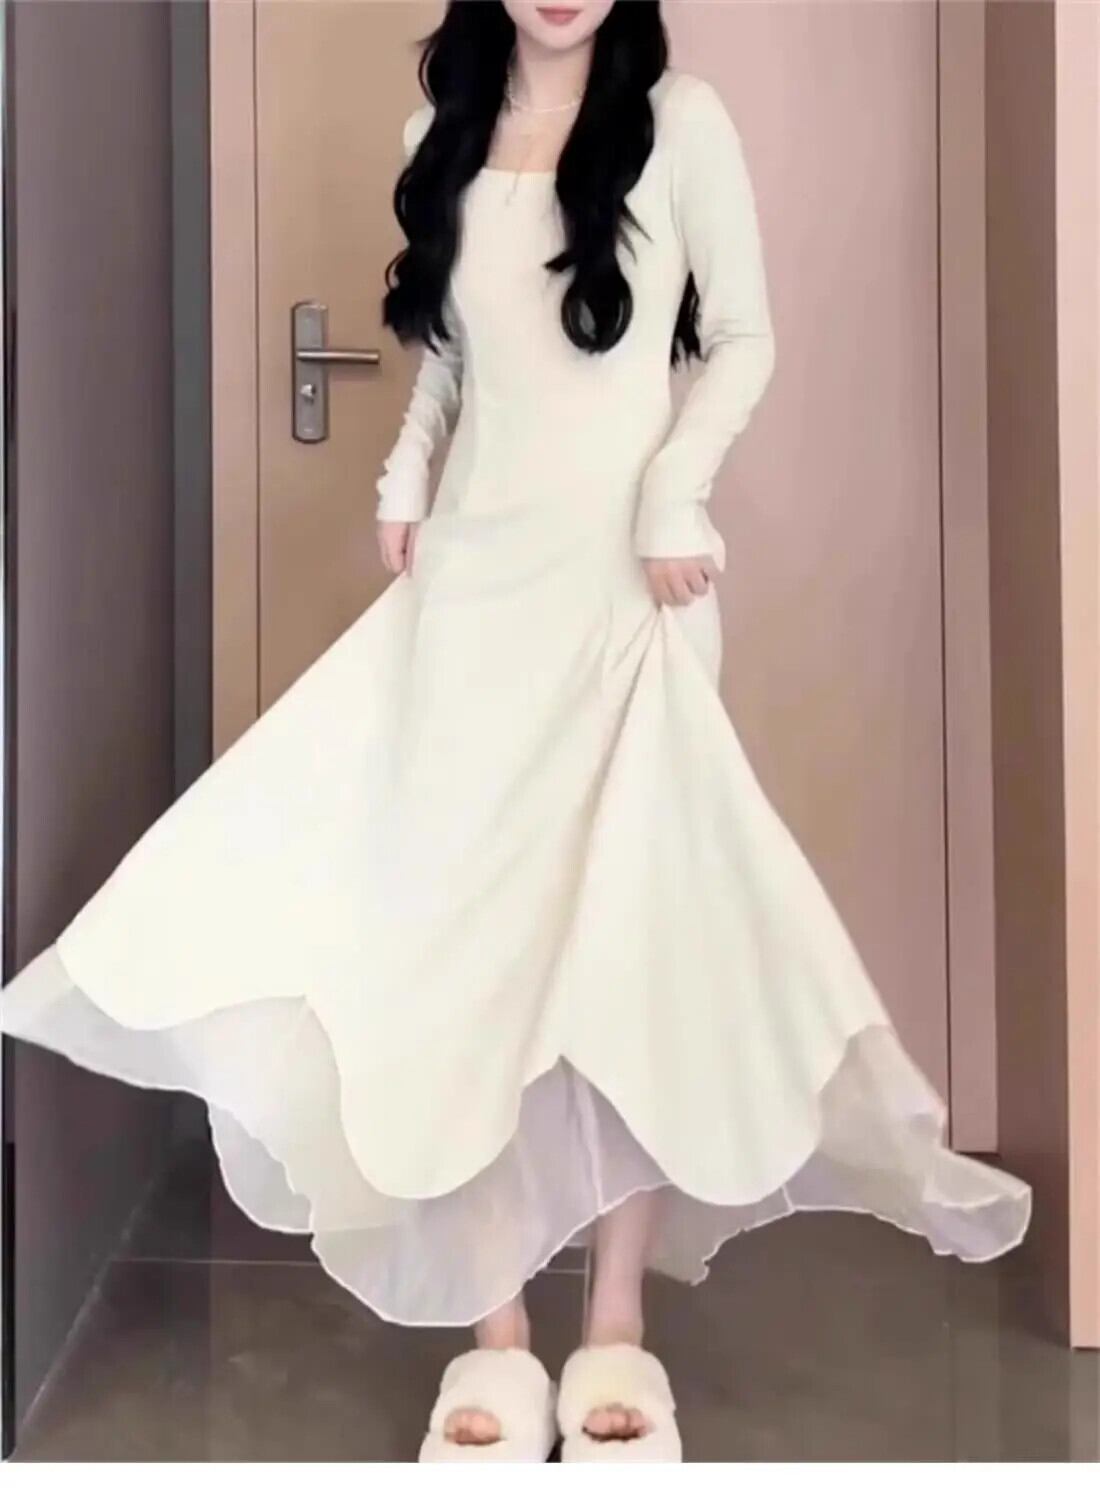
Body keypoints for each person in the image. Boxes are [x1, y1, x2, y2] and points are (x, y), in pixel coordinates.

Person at [1, 0, 1030, 1463]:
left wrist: (675, 492)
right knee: (462, 956)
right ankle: (495, 1342)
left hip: (631, 601)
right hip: (477, 606)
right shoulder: (442, 132)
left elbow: (743, 339)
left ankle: (615, 1328)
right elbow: (452, 358)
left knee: (629, 956)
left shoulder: (681, 127)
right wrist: (405, 476)